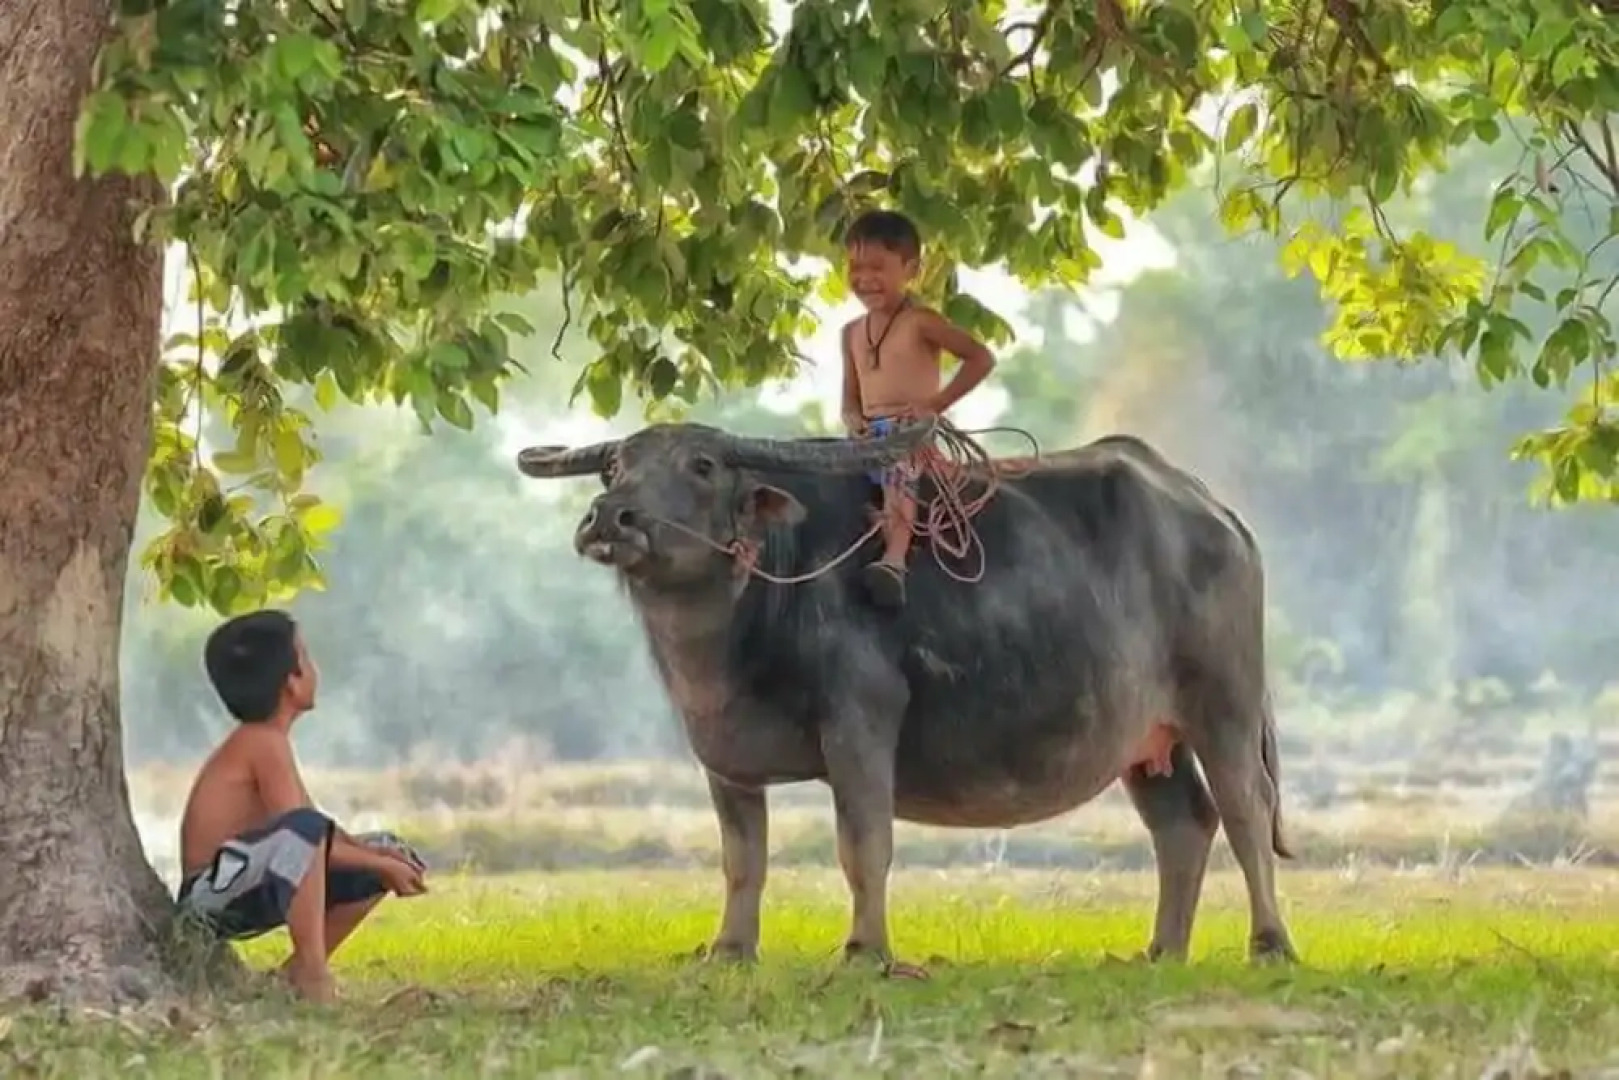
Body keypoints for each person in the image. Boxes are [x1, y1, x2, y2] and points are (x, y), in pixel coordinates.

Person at [174, 609, 428, 1003]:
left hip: (256, 878)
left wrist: (379, 854)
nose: (314, 667)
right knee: (310, 832)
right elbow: (304, 834)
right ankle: (313, 974)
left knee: (385, 845)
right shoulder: (260, 743)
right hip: (209, 898)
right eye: (305, 657)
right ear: (290, 682)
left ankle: (288, 979)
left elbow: (320, 834)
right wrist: (376, 863)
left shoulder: (272, 742)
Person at [839, 209, 997, 609]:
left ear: (911, 269)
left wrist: (933, 405)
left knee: (898, 469)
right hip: (866, 436)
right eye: (855, 267)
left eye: (877, 267)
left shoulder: (921, 321)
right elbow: (850, 398)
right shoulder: (851, 333)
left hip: (909, 436)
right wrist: (854, 420)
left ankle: (895, 558)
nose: (864, 279)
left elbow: (980, 358)